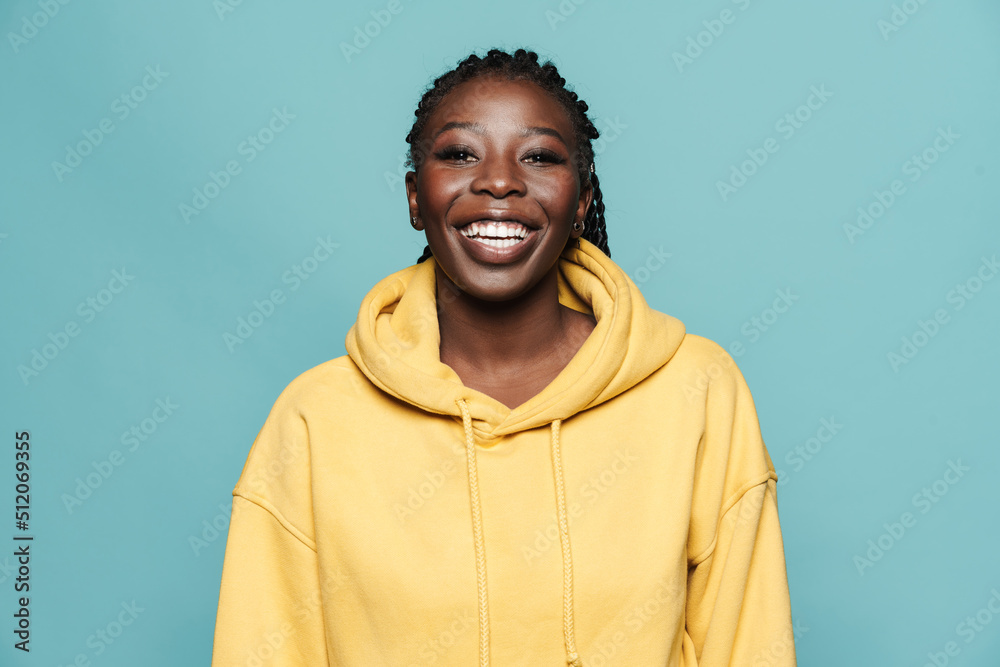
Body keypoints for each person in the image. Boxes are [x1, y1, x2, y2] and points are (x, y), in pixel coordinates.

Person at [211, 47, 796, 666]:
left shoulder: (696, 391)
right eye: (460, 154)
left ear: (582, 202)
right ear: (416, 197)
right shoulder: (316, 418)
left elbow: (749, 646)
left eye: (539, 157)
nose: (499, 182)